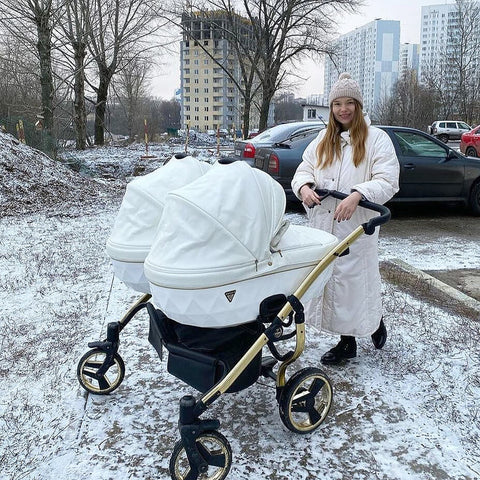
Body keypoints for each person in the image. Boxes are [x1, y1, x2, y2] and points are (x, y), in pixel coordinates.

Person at [291, 72, 400, 365]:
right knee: (332, 285)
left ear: (358, 106)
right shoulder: (322, 140)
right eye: (337, 103)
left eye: (349, 103)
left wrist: (357, 194)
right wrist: (303, 187)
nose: (343, 109)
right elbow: (304, 169)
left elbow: (388, 181)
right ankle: (348, 341)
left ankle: (371, 324)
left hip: (355, 227)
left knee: (354, 285)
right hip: (325, 226)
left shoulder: (377, 139)